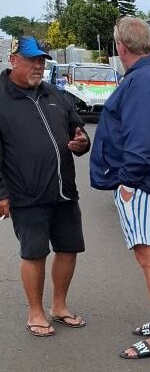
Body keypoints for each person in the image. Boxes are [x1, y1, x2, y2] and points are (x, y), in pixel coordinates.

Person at [90, 16, 150, 360]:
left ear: (121, 46)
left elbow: (140, 141)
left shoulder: (143, 81)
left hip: (142, 181)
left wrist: (127, 183)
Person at [0, 36, 90, 337]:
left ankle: (59, 306)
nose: (39, 65)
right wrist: (2, 192)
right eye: (31, 60)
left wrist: (82, 143)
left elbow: (78, 132)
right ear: (13, 60)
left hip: (63, 190)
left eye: (42, 60)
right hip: (26, 193)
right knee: (34, 252)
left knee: (68, 248)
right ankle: (35, 312)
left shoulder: (54, 94)